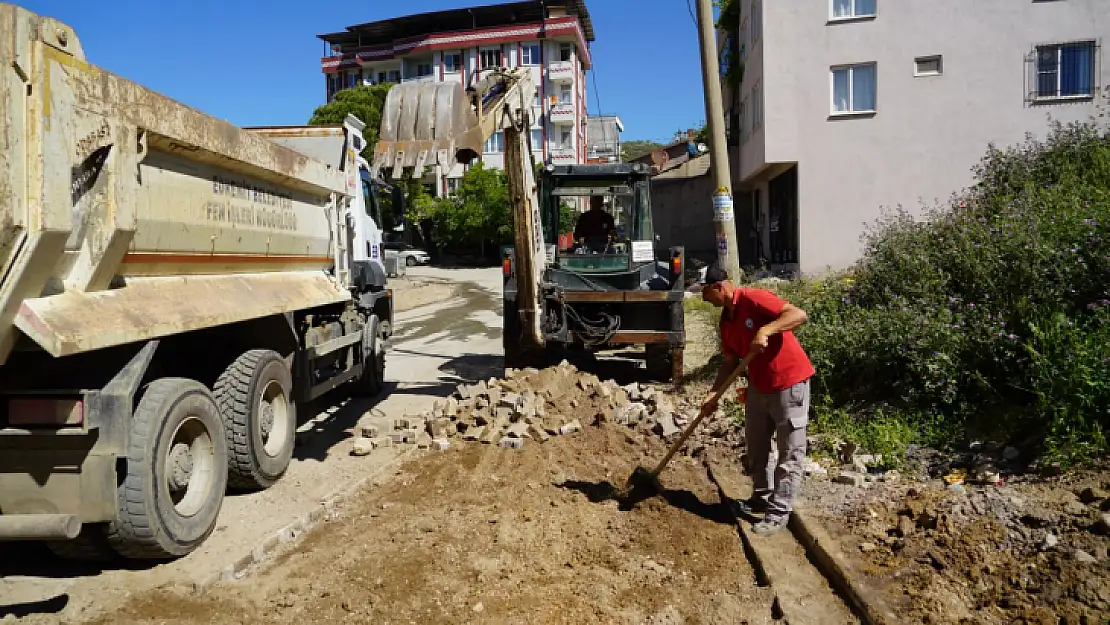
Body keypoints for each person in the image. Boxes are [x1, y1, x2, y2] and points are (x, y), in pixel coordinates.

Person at [699, 264, 815, 536]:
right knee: (756, 446)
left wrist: (766, 331)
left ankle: (778, 513)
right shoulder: (726, 321)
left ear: (719, 287)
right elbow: (729, 362)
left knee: (790, 451)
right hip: (758, 387)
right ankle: (761, 498)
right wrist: (714, 393)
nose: (704, 300)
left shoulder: (753, 298)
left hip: (789, 382)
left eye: (705, 294)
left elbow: (798, 314)